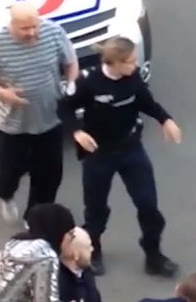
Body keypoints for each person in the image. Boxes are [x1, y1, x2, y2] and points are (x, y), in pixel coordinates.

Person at [59, 36, 181, 278]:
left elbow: (146, 101)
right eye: (130, 61)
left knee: (148, 205)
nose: (135, 65)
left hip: (130, 149)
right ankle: (93, 250)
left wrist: (165, 120)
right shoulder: (88, 81)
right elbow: (64, 108)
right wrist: (77, 132)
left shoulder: (132, 77)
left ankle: (153, 255)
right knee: (96, 209)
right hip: (98, 153)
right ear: (114, 63)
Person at [0, 2, 79, 225]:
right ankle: (6, 195)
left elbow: (70, 61)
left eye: (34, 26)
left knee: (50, 174)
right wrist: (3, 93)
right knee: (9, 172)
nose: (32, 32)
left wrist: (70, 83)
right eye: (24, 28)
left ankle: (35, 215)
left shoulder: (54, 32)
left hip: (50, 118)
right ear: (12, 24)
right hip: (14, 124)